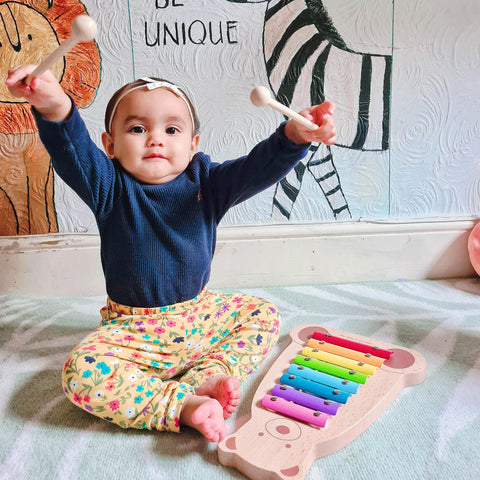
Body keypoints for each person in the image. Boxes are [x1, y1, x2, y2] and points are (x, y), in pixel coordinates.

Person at [5, 66, 336, 442]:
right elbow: (73, 150)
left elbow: (255, 169)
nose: (155, 140)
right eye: (137, 129)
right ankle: (182, 405)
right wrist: (55, 105)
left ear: (193, 144)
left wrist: (294, 135)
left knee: (262, 314)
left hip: (198, 315)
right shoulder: (108, 186)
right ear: (110, 145)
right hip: (134, 330)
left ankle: (207, 375)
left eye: (172, 129)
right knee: (80, 372)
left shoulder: (208, 183)